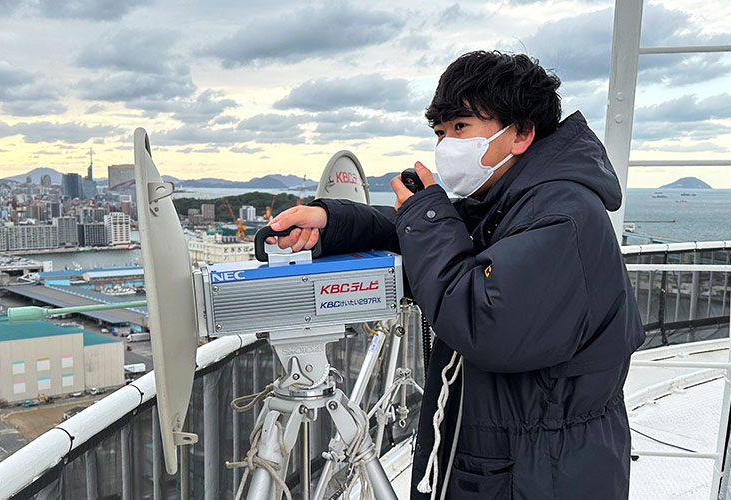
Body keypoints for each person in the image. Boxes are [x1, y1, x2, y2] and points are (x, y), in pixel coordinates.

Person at [266, 51, 645, 499]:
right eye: (441, 133)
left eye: (460, 128)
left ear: (521, 133)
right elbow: (448, 241)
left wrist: (427, 213)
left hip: (539, 473)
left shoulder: (561, 217)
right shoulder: (514, 201)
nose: (446, 145)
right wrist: (333, 224)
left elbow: (485, 319)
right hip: (515, 460)